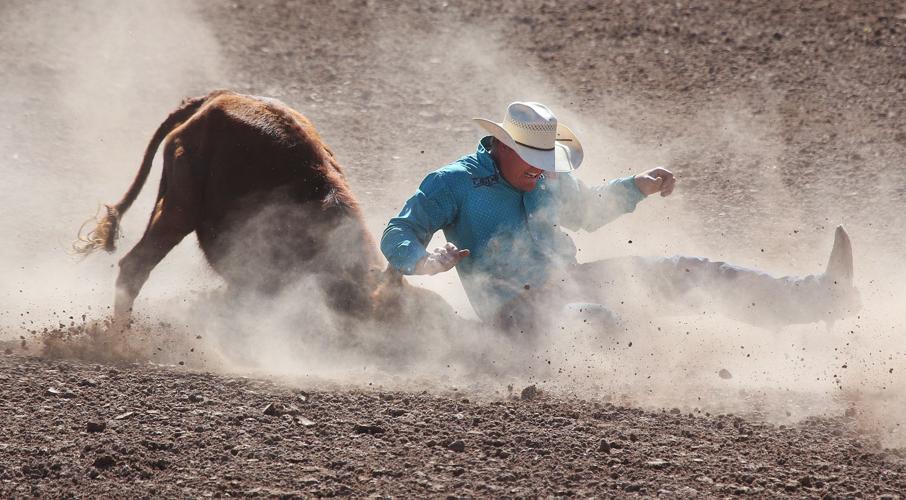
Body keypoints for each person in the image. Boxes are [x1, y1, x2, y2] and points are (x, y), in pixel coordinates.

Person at [380, 102, 859, 333]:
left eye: (546, 160)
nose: (540, 169)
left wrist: (638, 187)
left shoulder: (546, 176)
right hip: (513, 315)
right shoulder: (452, 184)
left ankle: (817, 297)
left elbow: (587, 210)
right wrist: (422, 262)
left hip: (569, 281)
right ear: (501, 146)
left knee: (689, 270)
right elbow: (399, 231)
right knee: (594, 320)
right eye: (530, 158)